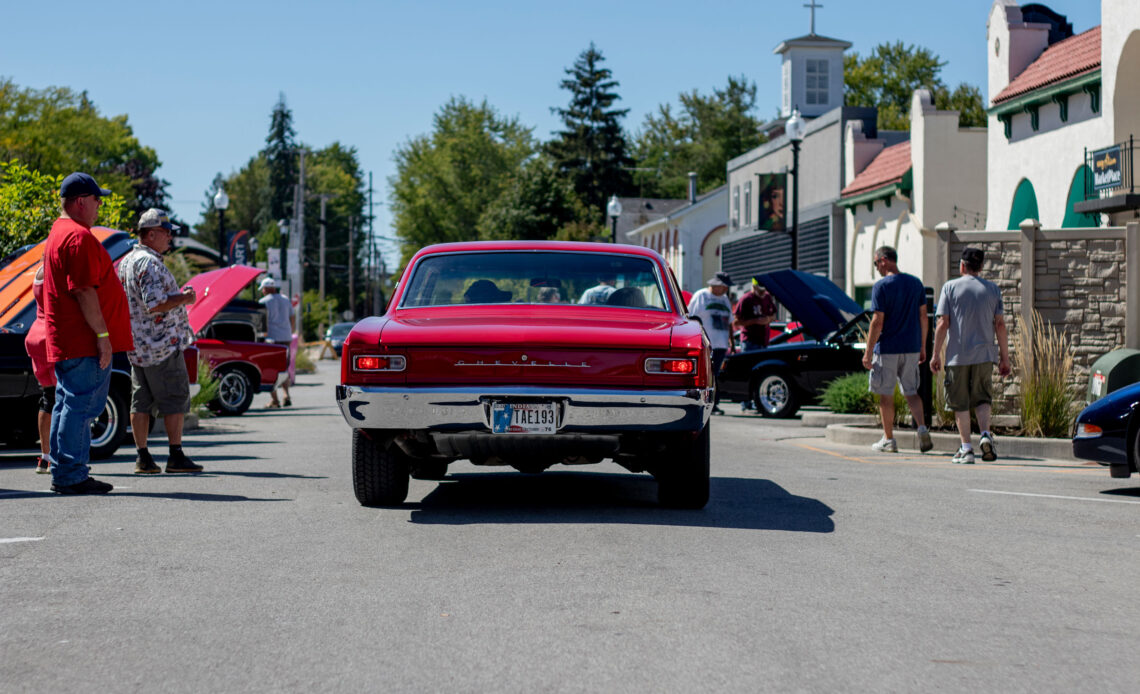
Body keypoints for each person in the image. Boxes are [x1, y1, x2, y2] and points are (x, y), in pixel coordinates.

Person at [42, 172, 133, 495]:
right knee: (80, 406)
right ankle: (71, 474)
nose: (98, 207)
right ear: (80, 202)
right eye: (96, 200)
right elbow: (83, 289)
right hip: (82, 340)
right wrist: (103, 336)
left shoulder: (58, 232)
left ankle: (64, 469)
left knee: (67, 403)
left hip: (69, 337)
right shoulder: (77, 237)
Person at [118, 208, 202, 474]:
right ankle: (175, 456)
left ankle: (143, 457)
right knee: (175, 399)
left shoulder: (127, 262)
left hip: (138, 346)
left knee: (140, 401)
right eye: (166, 233)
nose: (170, 238)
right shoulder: (150, 264)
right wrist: (186, 298)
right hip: (161, 345)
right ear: (151, 234)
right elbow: (155, 304)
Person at [931, 246, 1011, 464]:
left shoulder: (950, 287)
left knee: (960, 403)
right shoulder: (993, 290)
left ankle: (966, 448)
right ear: (981, 267)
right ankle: (985, 434)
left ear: (962, 265)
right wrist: (1005, 357)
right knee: (983, 398)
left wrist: (935, 354)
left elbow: (942, 323)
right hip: (985, 355)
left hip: (958, 356)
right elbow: (1000, 325)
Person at [862, 246, 932, 454]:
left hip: (888, 349)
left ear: (884, 260)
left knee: (886, 394)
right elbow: (923, 316)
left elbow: (877, 322)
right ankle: (921, 428)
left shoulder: (881, 286)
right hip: (911, 347)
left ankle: (889, 439)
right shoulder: (915, 283)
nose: (877, 269)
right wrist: (922, 345)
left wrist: (868, 352)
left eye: (876, 264)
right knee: (911, 391)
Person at [688, 271, 734, 415]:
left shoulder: (725, 299)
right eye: (724, 286)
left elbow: (730, 322)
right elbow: (691, 318)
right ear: (716, 285)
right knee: (709, 375)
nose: (726, 289)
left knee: (715, 375)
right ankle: (708, 404)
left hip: (721, 344)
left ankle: (713, 404)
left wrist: (731, 341)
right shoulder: (701, 296)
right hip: (707, 344)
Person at [24, 266, 54, 474]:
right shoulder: (56, 272)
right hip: (52, 334)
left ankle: (45, 457)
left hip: (36, 333)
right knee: (63, 400)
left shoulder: (39, 272)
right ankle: (62, 457)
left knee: (48, 397)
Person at [733, 277, 778, 412]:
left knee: (762, 373)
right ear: (754, 287)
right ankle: (745, 402)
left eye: (764, 289)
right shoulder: (746, 299)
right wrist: (755, 321)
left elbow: (773, 315)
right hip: (749, 341)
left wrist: (768, 319)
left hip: (763, 341)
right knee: (748, 372)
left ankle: (758, 402)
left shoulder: (767, 297)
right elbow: (736, 323)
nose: (763, 292)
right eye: (760, 289)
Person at [259, 276, 295, 408]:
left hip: (272, 339)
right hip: (286, 337)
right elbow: (292, 317)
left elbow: (262, 323)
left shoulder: (263, 302)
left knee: (271, 368)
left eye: (262, 289)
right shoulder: (286, 300)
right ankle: (287, 395)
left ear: (266, 289)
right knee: (283, 367)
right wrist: (291, 331)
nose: (262, 291)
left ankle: (275, 400)